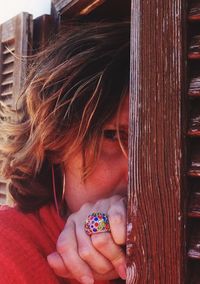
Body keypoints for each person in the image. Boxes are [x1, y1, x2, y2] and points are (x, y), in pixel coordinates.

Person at [0, 22, 130, 284]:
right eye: (112, 136)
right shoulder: (7, 250)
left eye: (147, 145)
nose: (136, 168)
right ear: (55, 143)